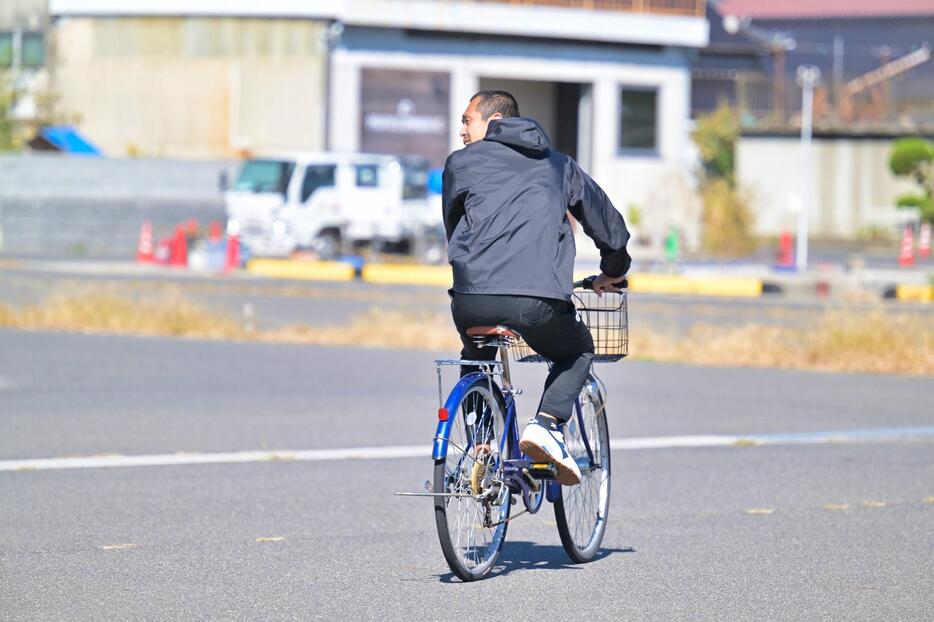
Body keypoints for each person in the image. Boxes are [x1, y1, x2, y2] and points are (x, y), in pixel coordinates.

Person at [442, 90, 631, 486]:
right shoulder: (559, 165)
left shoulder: (460, 164)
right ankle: (546, 425)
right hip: (537, 301)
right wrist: (612, 271)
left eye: (467, 121)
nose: (461, 131)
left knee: (476, 356)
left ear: (493, 121)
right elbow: (610, 229)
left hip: (471, 299)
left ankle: (481, 445)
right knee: (578, 349)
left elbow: (453, 225)